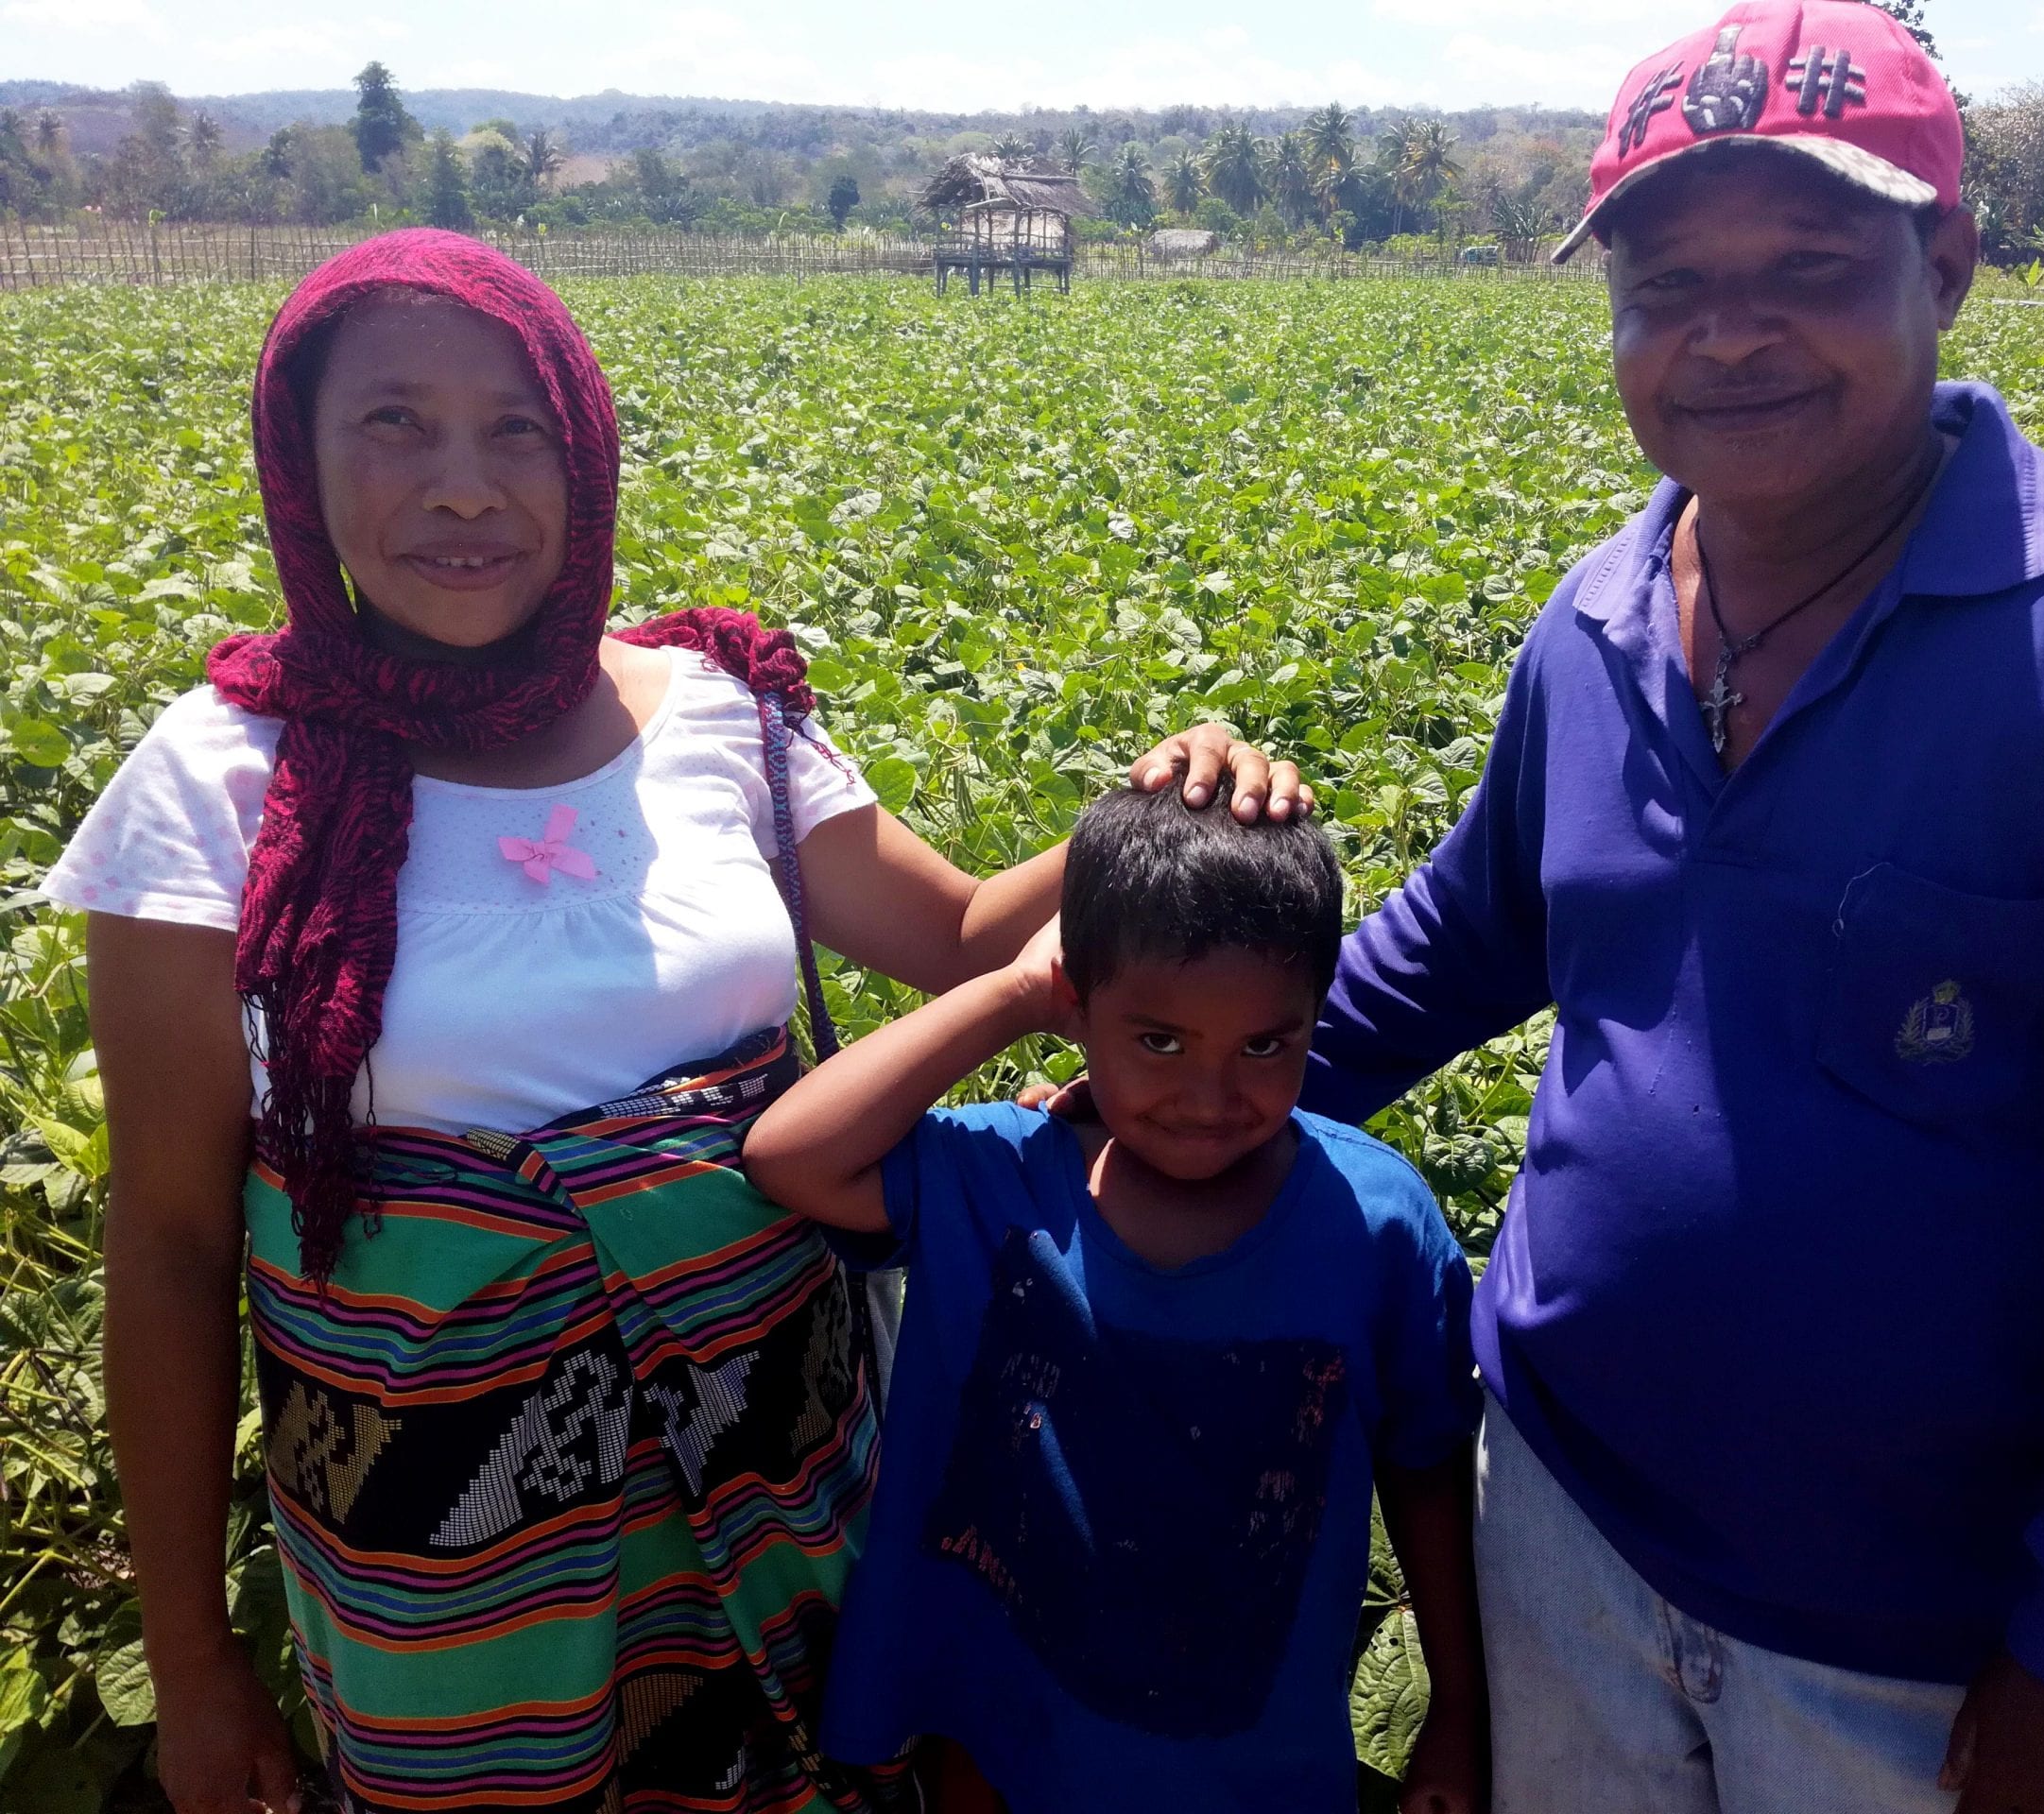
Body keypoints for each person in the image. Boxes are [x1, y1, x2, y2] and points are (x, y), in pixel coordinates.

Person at [47, 230, 1305, 1814]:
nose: (461, 484)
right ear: (298, 457)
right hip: (437, 1550)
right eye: (393, 423)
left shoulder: (717, 712)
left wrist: (1161, 795)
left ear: (583, 450)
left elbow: (959, 932)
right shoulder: (218, 779)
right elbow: (166, 1242)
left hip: (782, 1467)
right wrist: (189, 1658)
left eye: (517, 427)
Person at [1294, 6, 2044, 1812]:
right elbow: (1463, 940)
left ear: (1947, 263)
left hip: (1915, 1643)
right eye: (1668, 280)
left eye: (1810, 266)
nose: (1728, 332)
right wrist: (1147, 1083)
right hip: (1556, 1526)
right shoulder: (1597, 620)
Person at [741, 779, 1487, 1814]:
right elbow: (791, 1155)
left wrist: (1455, 1705)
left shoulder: (1375, 1221)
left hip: (1247, 1762)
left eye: (1266, 1045)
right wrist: (1009, 991)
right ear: (1075, 1003)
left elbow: (1424, 1465)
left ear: (1316, 1016)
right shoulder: (1002, 1181)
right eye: (1159, 1041)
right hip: (1000, 1741)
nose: (1210, 1099)